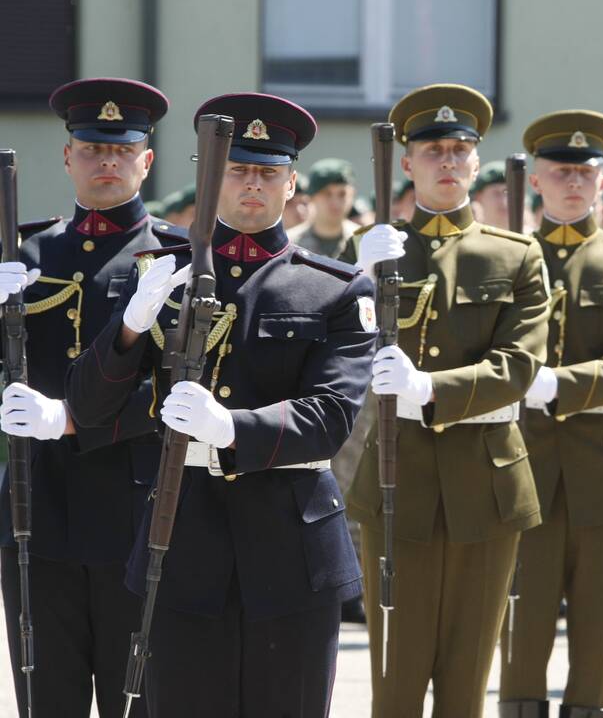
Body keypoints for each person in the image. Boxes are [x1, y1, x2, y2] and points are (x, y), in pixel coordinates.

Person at [64, 91, 375, 716]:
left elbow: (330, 418)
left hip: (291, 550)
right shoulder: (162, 277)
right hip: (179, 540)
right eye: (237, 169)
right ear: (211, 178)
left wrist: (228, 425)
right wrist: (127, 329)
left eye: (268, 171)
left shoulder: (334, 289)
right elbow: (90, 408)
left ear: (292, 185)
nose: (252, 184)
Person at [340, 83, 548, 718]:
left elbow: (519, 365)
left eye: (461, 150)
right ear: (407, 164)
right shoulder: (372, 251)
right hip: (399, 477)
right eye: (434, 151)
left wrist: (429, 388)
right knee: (394, 682)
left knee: (466, 683)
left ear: (477, 164)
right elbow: (340, 352)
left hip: (485, 479)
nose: (449, 161)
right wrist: (358, 280)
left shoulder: (516, 254)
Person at [0, 76, 179, 718]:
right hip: (36, 507)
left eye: (123, 147)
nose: (107, 160)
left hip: (137, 513)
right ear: (67, 156)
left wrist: (74, 421)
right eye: (92, 147)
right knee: (48, 699)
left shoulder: (175, 258)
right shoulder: (26, 253)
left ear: (146, 160)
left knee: (139, 700)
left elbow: (180, 390)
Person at [497, 109, 603, 718]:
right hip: (522, 469)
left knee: (598, 641)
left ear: (602, 180)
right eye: (560, 171)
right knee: (521, 635)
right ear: (535, 180)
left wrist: (556, 386)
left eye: (585, 171)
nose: (573, 182)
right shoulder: (507, 257)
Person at [287, 157, 361, 256]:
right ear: (311, 197)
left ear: (352, 195)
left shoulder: (364, 241)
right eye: (327, 194)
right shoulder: (290, 244)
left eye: (342, 194)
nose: (335, 202)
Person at [472, 160, 509, 230]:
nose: (504, 201)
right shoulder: (470, 239)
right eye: (496, 193)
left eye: (507, 193)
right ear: (479, 198)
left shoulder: (528, 237)